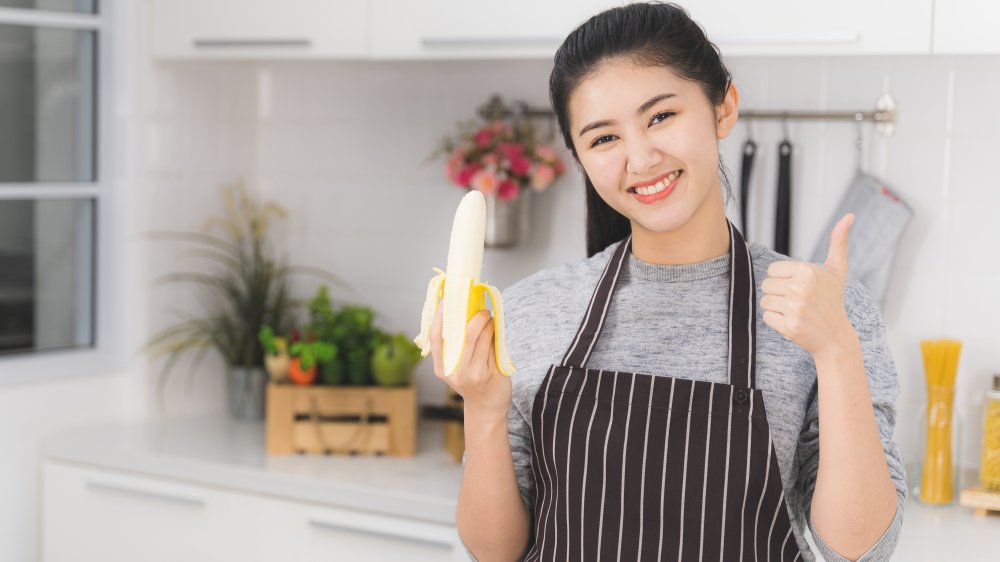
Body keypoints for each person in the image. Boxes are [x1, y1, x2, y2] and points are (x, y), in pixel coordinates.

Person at [426, 2, 906, 560]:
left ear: (723, 108)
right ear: (580, 157)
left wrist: (836, 348)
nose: (641, 158)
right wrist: (481, 407)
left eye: (660, 117)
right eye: (604, 139)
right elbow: (495, 551)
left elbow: (861, 549)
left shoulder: (824, 311)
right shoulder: (532, 310)